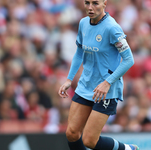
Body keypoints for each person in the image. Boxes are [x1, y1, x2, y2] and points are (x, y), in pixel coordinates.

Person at [58, 0, 139, 150]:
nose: (90, 7)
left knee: (89, 140)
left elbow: (129, 59)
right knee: (72, 133)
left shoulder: (112, 28)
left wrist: (107, 83)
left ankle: (128, 149)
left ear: (104, 3)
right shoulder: (83, 23)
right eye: (87, 3)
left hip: (106, 90)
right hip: (86, 85)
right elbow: (79, 52)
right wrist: (69, 79)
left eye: (95, 3)